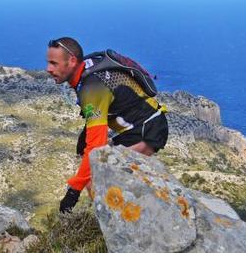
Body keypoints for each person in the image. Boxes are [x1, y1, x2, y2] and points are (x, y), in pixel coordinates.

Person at [46, 37, 168, 214]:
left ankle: (118, 223)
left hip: (148, 130)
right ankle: (111, 219)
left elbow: (96, 146)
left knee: (98, 173)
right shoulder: (86, 70)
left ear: (72, 61)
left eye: (53, 63)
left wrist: (73, 192)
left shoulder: (91, 88)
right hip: (136, 128)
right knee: (88, 160)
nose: (48, 69)